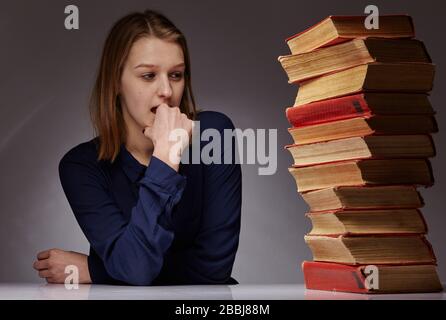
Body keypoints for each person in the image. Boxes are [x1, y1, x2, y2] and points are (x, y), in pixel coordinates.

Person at [32, 9, 242, 286]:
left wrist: (96, 269)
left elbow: (213, 270)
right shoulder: (81, 166)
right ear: (116, 82)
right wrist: (166, 158)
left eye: (176, 75)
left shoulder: (214, 134)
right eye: (148, 76)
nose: (166, 90)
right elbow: (134, 268)